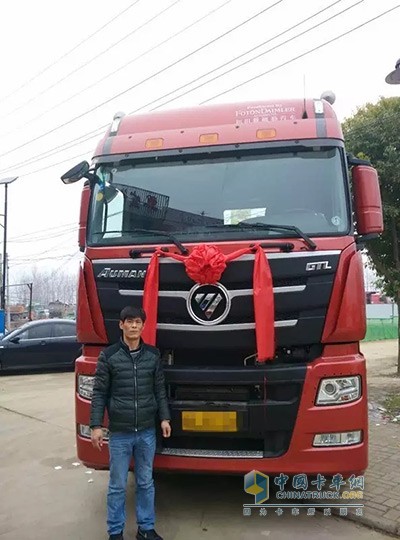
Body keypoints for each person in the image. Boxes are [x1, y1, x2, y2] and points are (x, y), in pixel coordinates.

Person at [90, 306, 171, 540]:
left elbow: (159, 390)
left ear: (143, 326)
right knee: (117, 485)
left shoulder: (153, 355)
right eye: (129, 321)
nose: (134, 326)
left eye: (138, 322)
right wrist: (96, 425)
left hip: (146, 431)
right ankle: (115, 532)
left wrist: (164, 418)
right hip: (120, 433)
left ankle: (145, 529)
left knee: (146, 482)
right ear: (121, 325)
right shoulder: (109, 356)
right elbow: (99, 393)